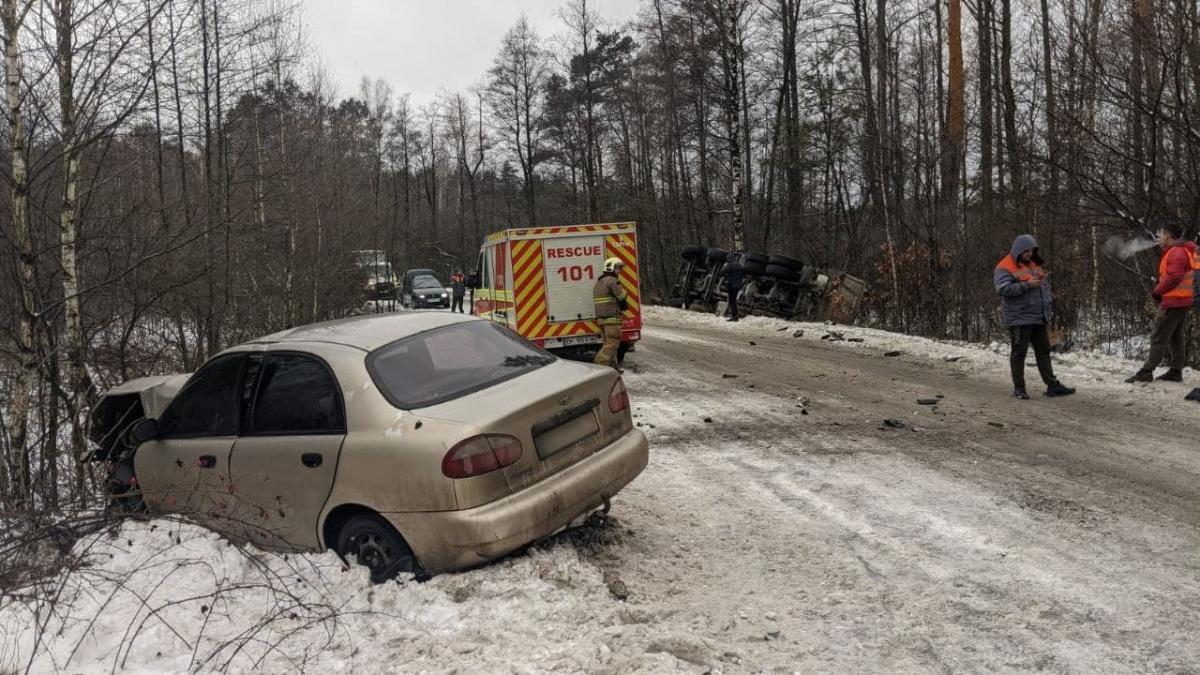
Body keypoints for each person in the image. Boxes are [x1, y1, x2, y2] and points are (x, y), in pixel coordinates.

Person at [994, 234, 1076, 399]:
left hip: (1038, 316)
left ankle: (1052, 385)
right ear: (1019, 250)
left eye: (1031, 251)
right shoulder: (1004, 266)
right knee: (1019, 353)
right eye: (1026, 252)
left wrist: (1047, 297)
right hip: (1019, 318)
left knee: (1043, 351)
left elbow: (1042, 285)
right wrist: (1026, 285)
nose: (1029, 255)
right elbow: (1002, 289)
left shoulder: (1033, 263)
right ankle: (1019, 388)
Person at [1125, 221, 1197, 383]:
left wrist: (1157, 291)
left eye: (1162, 234)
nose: (1159, 237)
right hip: (1183, 300)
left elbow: (1173, 277)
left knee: (1158, 336)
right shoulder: (1185, 249)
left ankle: (1146, 371)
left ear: (1169, 236)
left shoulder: (1176, 252)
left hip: (1173, 300)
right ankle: (1175, 371)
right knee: (1176, 336)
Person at [593, 257, 629, 369]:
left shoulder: (599, 281)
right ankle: (598, 365)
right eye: (617, 268)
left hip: (602, 319)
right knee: (613, 343)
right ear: (611, 268)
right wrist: (624, 291)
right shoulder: (612, 280)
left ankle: (612, 368)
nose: (619, 271)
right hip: (612, 317)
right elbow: (622, 296)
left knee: (608, 344)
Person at [723, 254, 745, 322]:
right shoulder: (739, 265)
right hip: (737, 285)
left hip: (731, 285)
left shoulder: (730, 264)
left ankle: (734, 316)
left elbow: (723, 271)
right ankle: (735, 316)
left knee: (731, 301)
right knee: (734, 301)